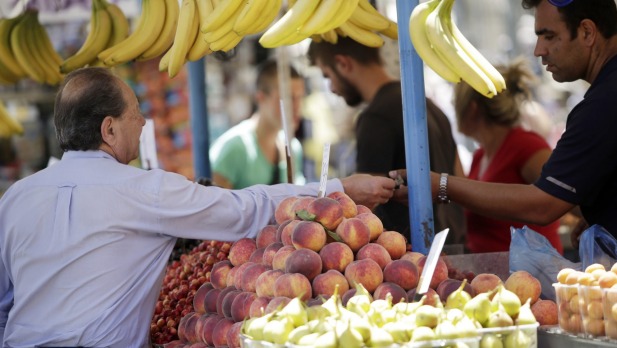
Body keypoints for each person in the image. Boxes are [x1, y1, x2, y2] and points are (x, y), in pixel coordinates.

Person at [0, 67, 396, 347]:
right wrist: (339, 189)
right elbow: (244, 209)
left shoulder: (16, 197)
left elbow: (3, 304)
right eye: (136, 114)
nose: (142, 124)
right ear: (109, 129)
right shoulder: (144, 191)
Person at [391, 0, 617, 247]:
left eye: (549, 36)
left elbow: (543, 205)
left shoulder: (604, 103)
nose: (538, 50)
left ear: (587, 31)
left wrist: (443, 186)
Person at [307, 37, 466, 245]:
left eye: (327, 75)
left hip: (413, 255)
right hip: (455, 245)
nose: (332, 88)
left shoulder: (376, 118)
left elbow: (364, 203)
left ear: (343, 64)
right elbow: (460, 175)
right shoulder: (429, 106)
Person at [453, 57, 563, 254]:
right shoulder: (481, 155)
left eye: (456, 103)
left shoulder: (526, 146)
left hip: (532, 277)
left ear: (472, 108)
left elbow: (562, 197)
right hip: (492, 275)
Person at [209, 59, 306, 188]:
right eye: (288, 98)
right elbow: (216, 205)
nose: (297, 107)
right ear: (261, 98)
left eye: (300, 98)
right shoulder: (234, 149)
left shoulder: (293, 148)